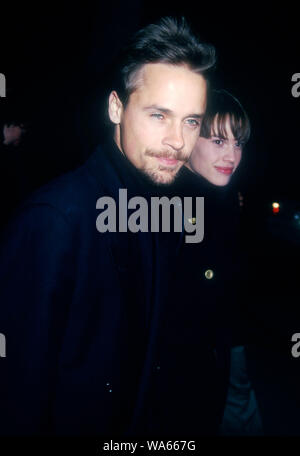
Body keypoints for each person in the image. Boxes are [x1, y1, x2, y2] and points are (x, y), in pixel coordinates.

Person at [0, 17, 216, 436]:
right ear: (116, 107)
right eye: (159, 115)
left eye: (191, 121)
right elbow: (16, 393)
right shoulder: (54, 220)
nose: (178, 140)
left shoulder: (164, 208)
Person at [167, 89, 264, 435]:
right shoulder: (167, 207)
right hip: (194, 366)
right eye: (218, 140)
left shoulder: (220, 198)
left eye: (238, 143)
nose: (232, 155)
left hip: (228, 344)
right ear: (190, 138)